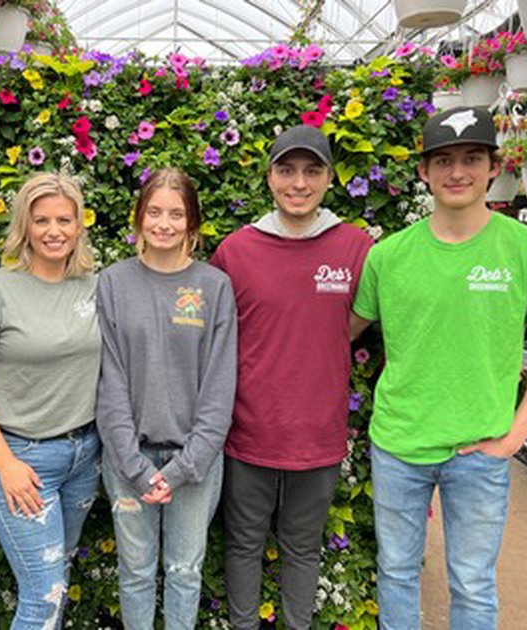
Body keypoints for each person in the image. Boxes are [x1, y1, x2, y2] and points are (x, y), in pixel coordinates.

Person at [349, 106, 527, 629]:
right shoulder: (388, 257)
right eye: (443, 160)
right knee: (397, 571)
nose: (457, 172)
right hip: (398, 443)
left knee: (473, 583)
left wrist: (514, 437)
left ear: (495, 166)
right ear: (423, 171)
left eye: (472, 158)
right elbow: (340, 331)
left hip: (480, 450)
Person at [211, 125, 373, 630]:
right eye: (286, 170)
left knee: (303, 549)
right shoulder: (236, 251)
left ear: (329, 178)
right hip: (247, 434)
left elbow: (355, 321)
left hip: (317, 437)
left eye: (311, 171)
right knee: (242, 546)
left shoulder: (355, 247)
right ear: (269, 177)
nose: (298, 183)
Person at [0, 172, 102, 630]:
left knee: (57, 579)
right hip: (21, 461)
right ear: (24, 226)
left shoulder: (92, 287)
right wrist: (5, 465)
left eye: (64, 219)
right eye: (41, 221)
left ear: (78, 226)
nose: (54, 231)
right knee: (43, 597)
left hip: (84, 455)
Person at [95, 168, 237, 630]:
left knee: (183, 571)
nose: (164, 223)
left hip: (194, 463)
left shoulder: (213, 287)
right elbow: (109, 380)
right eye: (154, 211)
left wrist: (183, 468)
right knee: (135, 573)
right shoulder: (113, 283)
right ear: (138, 218)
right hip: (128, 459)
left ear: (192, 225)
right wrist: (135, 468)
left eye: (176, 214)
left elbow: (219, 387)